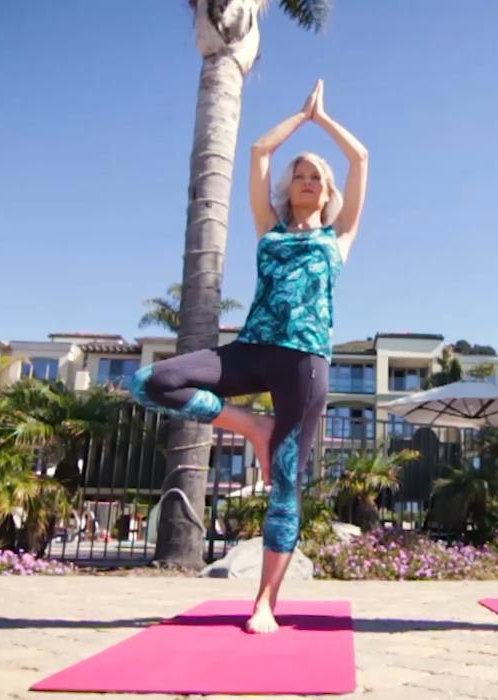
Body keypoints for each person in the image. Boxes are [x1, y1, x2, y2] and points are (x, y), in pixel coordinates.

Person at [129, 79, 367, 634]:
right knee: (150, 381)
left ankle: (265, 602)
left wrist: (324, 121)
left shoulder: (340, 237)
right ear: (289, 187)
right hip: (251, 349)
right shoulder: (269, 229)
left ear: (328, 191)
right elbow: (259, 152)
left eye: (318, 176)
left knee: (285, 484)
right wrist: (298, 120)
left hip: (305, 362)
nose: (308, 180)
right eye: (301, 174)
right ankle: (250, 425)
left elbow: (361, 157)